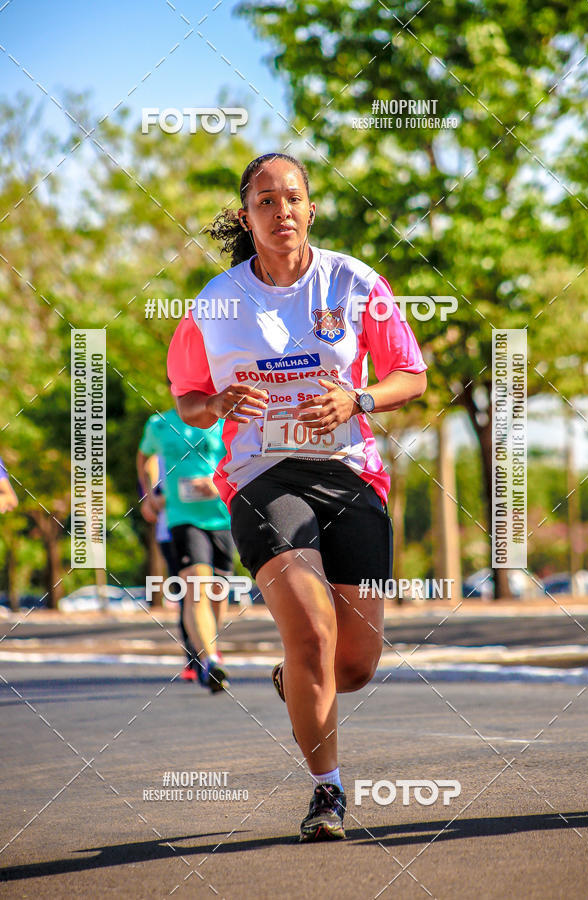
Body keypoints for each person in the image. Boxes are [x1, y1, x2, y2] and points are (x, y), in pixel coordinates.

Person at [167, 152, 427, 839]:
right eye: (265, 201)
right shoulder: (215, 303)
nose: (281, 210)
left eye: (292, 198)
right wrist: (216, 403)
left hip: (349, 474)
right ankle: (327, 791)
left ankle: (298, 677)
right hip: (262, 476)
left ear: (311, 209)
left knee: (355, 665)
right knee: (311, 630)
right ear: (246, 217)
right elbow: (189, 398)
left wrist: (358, 398)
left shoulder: (355, 282)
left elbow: (411, 375)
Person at [137, 404, 233, 693]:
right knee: (195, 589)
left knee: (218, 591)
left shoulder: (223, 419)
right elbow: (144, 457)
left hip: (223, 517)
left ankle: (209, 646)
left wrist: (220, 484)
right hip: (182, 519)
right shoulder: (159, 424)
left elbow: (240, 457)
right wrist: (149, 494)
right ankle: (209, 660)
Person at [138, 454, 197, 680]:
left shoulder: (211, 441)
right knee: (188, 596)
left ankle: (208, 650)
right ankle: (195, 659)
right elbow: (151, 503)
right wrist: (152, 495)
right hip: (172, 532)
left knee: (212, 591)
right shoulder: (163, 445)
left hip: (213, 525)